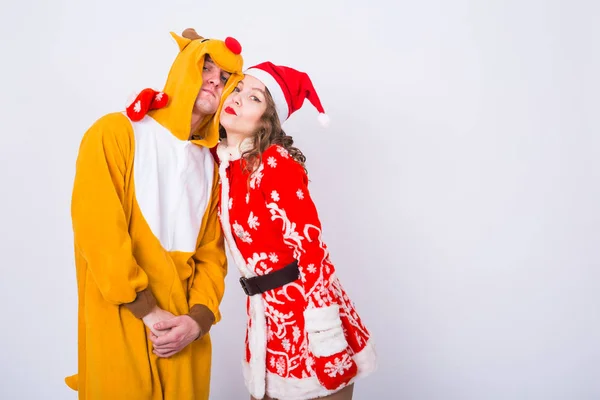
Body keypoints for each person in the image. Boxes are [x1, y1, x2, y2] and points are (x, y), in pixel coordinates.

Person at [66, 28, 244, 399]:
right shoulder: (116, 132)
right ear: (182, 68)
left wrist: (196, 322)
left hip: (185, 334)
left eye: (226, 79)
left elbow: (213, 256)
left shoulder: (213, 167)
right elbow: (97, 228)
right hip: (123, 319)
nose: (215, 80)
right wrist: (146, 309)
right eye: (206, 68)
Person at [211, 62, 377, 399]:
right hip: (265, 319)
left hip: (307, 317)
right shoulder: (225, 166)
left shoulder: (275, 163)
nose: (240, 99)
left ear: (266, 121)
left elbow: (312, 251)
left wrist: (324, 334)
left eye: (255, 98)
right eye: (238, 89)